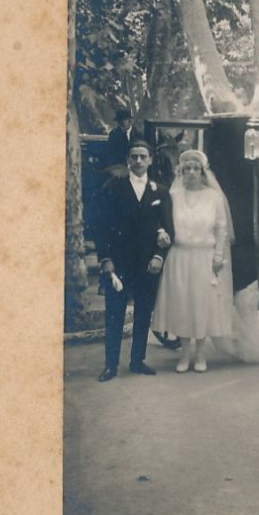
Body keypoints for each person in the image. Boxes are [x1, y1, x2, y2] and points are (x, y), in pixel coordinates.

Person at [151, 149, 259, 370]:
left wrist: (218, 257)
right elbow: (162, 222)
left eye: (195, 169)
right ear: (181, 171)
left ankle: (200, 354)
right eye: (187, 168)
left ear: (202, 172)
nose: (191, 173)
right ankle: (184, 354)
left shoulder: (214, 197)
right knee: (182, 304)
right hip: (179, 256)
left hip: (205, 257)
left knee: (201, 305)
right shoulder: (173, 196)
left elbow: (221, 229)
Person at [93, 140, 173, 381]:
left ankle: (138, 361)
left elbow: (169, 228)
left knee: (142, 314)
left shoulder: (160, 191)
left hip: (148, 264)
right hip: (119, 263)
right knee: (114, 314)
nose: (138, 161)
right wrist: (105, 259)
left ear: (150, 160)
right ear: (128, 159)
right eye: (134, 156)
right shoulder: (114, 187)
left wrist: (159, 257)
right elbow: (101, 226)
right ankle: (110, 365)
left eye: (142, 156)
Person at [103, 107, 137, 171]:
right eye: (119, 122)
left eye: (123, 121)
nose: (120, 124)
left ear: (130, 121)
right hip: (119, 169)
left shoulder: (138, 135)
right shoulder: (114, 135)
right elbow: (110, 154)